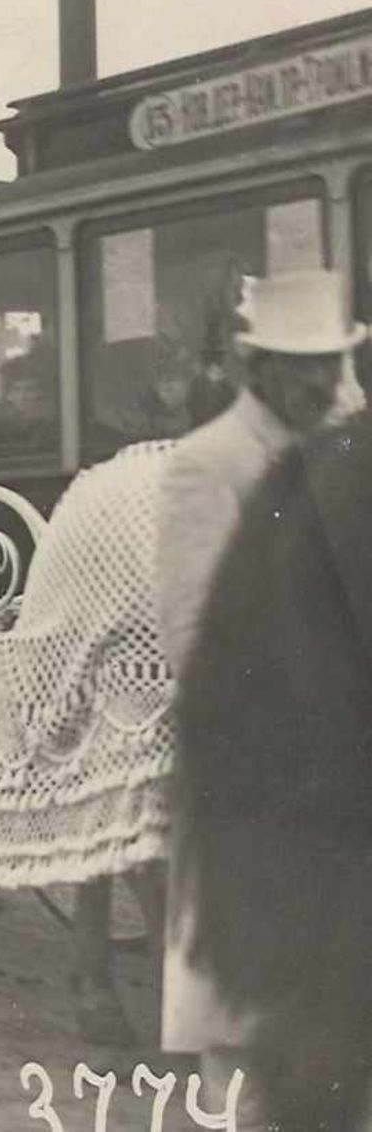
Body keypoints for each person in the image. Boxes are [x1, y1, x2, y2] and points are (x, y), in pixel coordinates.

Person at [158, 268, 363, 1097]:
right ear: (260, 369)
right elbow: (193, 637)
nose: (324, 381)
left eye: (333, 362)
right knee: (240, 1050)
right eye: (302, 364)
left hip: (338, 805)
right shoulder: (206, 466)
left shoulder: (343, 458)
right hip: (256, 796)